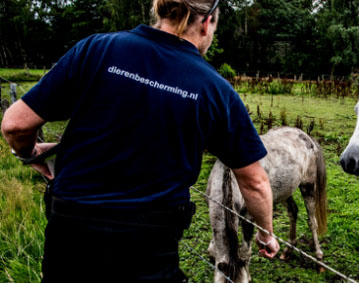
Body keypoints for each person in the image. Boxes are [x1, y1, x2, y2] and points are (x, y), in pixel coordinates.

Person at [0, 0, 279, 281]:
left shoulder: (97, 48)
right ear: (207, 23)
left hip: (70, 236)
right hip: (149, 247)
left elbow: (15, 125)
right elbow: (254, 182)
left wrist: (30, 153)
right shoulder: (216, 90)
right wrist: (266, 233)